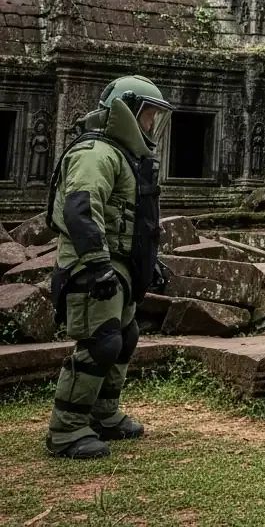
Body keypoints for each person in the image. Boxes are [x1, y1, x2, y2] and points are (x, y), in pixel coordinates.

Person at [45, 75, 174, 459]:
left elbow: (131, 219)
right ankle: (66, 430)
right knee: (101, 342)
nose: (151, 125)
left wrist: (148, 261)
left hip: (118, 264)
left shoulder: (121, 155)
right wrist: (98, 264)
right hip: (92, 264)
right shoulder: (96, 153)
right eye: (148, 115)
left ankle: (103, 414)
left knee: (124, 336)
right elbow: (81, 209)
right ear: (127, 111)